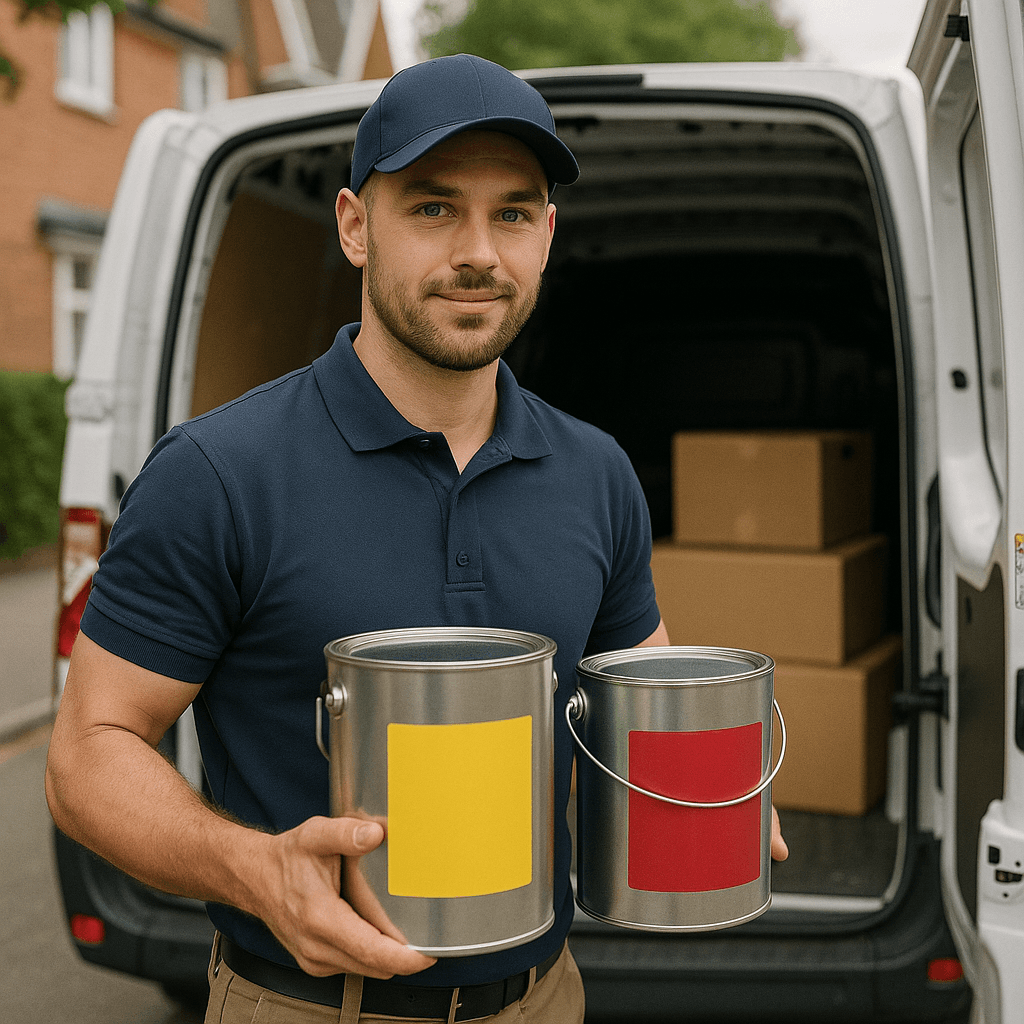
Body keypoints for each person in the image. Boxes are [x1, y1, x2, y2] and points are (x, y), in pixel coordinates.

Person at [46, 53, 787, 1024]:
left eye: (511, 214)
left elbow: (637, 695)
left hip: (543, 999)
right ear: (356, 226)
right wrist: (255, 868)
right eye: (433, 208)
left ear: (546, 235)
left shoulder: (596, 471)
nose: (478, 252)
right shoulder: (219, 473)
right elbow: (87, 755)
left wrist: (709, 785)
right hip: (311, 1007)